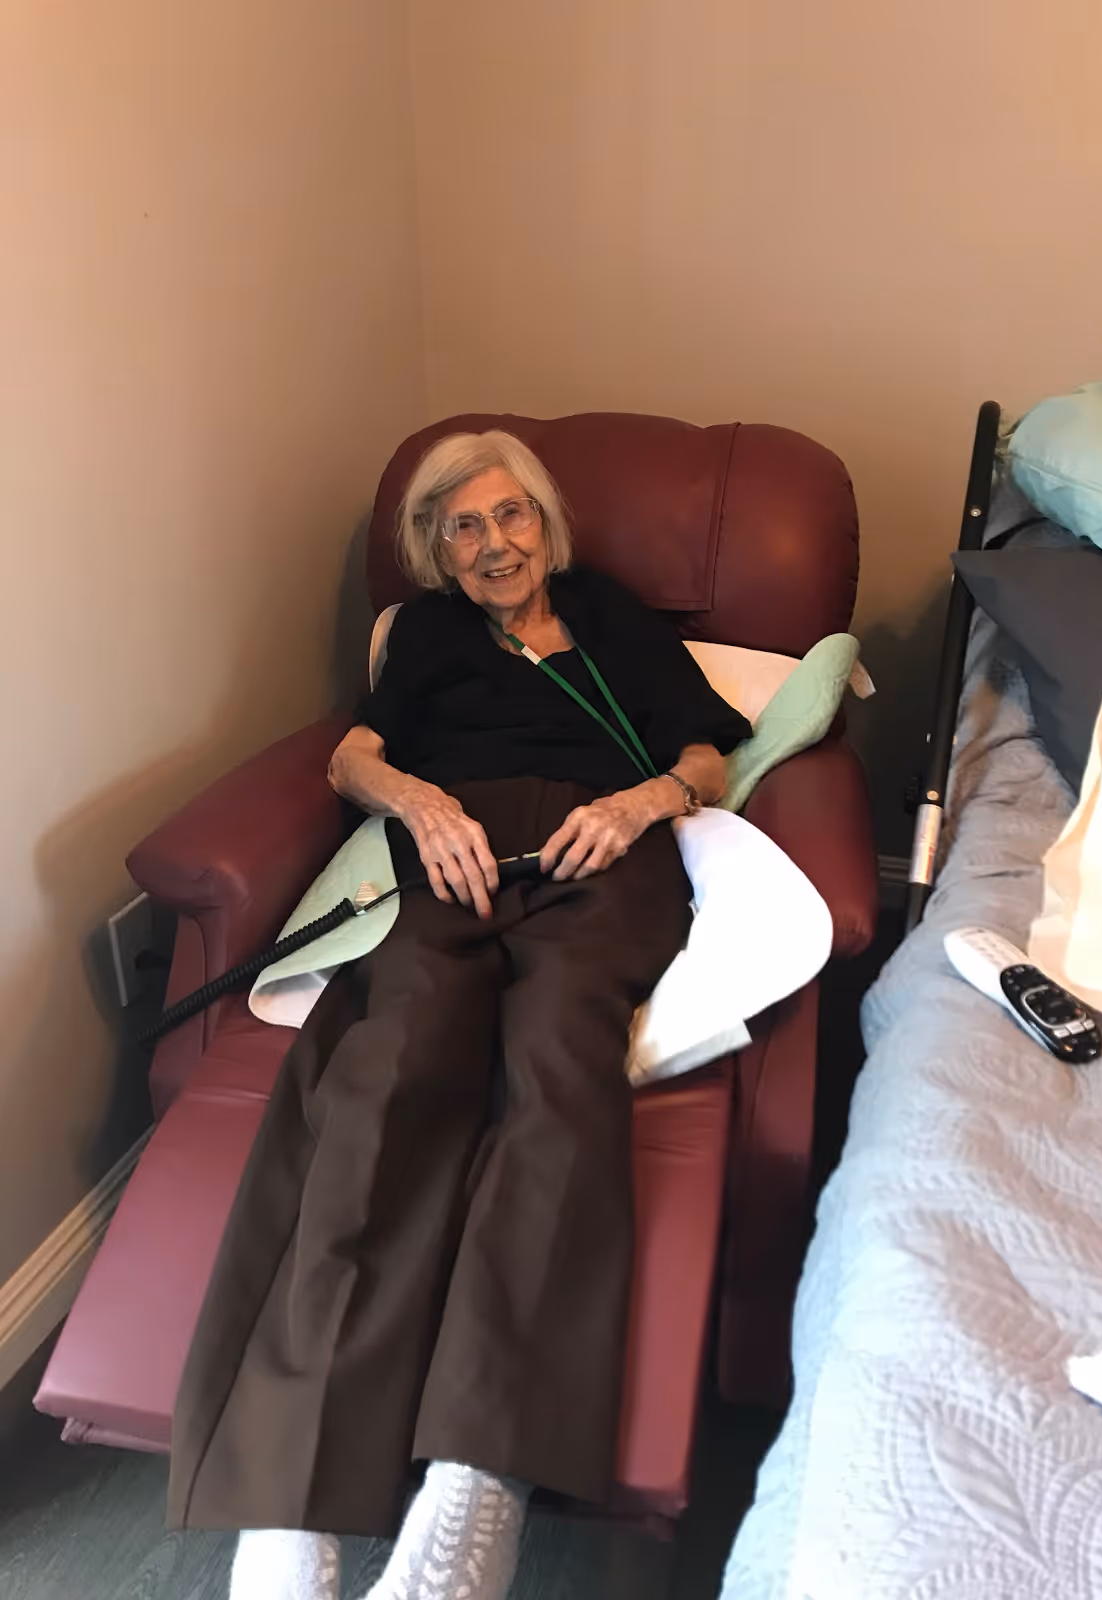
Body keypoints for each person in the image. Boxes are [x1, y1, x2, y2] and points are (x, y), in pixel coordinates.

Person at [167, 431, 751, 1600]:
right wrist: (422, 805)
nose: (494, 545)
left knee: (559, 1065)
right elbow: (354, 757)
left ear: (546, 519)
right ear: (437, 549)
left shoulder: (611, 614)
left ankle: (481, 1485)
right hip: (452, 852)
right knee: (388, 1069)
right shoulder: (429, 634)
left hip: (600, 849)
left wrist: (640, 805)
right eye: (463, 529)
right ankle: (292, 1504)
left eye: (510, 517)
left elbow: (709, 755)